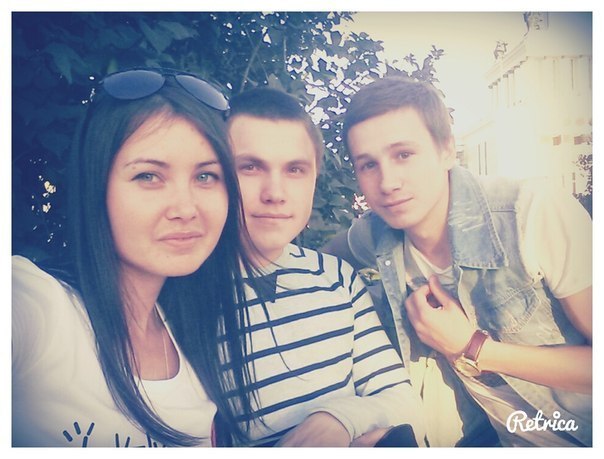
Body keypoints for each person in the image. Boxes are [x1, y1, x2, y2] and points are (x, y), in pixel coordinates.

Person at [323, 76, 592, 447]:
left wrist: (473, 347)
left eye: (403, 155)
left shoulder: (531, 213)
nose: (387, 182)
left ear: (447, 150)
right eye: (368, 165)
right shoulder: (377, 234)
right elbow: (312, 260)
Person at [12, 68, 258, 447]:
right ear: (97, 187)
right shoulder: (37, 303)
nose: (186, 208)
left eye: (205, 177)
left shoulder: (193, 344)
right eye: (148, 176)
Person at [223, 87, 426, 447]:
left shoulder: (337, 279)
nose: (275, 193)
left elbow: (403, 400)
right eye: (250, 167)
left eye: (295, 169)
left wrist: (340, 420)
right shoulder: (181, 295)